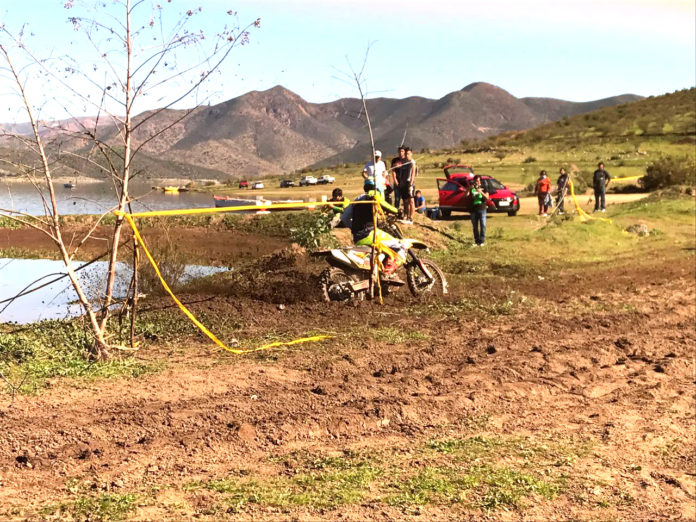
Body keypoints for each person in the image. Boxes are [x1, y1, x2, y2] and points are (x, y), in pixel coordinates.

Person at [340, 179, 405, 275]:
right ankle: (387, 273)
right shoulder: (373, 194)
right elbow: (379, 201)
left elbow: (344, 218)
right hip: (370, 234)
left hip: (358, 238)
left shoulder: (356, 200)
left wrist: (354, 227)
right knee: (401, 245)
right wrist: (396, 211)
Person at [396, 147, 417, 223]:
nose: (407, 155)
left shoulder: (412, 163)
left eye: (408, 154)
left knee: (411, 201)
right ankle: (407, 216)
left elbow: (413, 174)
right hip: (403, 184)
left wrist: (410, 184)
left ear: (411, 154)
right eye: (406, 154)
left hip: (409, 183)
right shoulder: (403, 163)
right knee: (405, 201)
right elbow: (401, 173)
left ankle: (411, 218)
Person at [470, 175, 489, 246]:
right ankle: (476, 241)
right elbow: (465, 195)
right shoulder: (472, 188)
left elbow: (487, 197)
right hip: (473, 209)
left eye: (478, 181)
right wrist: (469, 188)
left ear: (480, 181)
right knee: (475, 226)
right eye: (475, 181)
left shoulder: (484, 187)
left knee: (483, 225)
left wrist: (480, 192)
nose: (476, 182)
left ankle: (481, 241)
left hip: (482, 208)